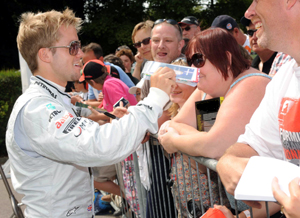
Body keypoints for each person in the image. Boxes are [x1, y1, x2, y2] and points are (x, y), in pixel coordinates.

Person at [6, 8, 177, 217]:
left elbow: (88, 130)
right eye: (73, 47)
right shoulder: (36, 108)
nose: (80, 54)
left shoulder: (53, 99)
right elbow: (98, 145)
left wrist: (123, 125)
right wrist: (156, 98)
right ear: (45, 54)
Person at [216, 1, 300, 217]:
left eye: (257, 1)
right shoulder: (285, 76)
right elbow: (255, 144)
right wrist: (227, 161)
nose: (249, 12)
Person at [82, 43, 135, 108]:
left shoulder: (109, 83)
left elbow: (122, 108)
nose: (86, 66)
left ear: (101, 60)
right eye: (84, 63)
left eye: (90, 62)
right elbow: (103, 106)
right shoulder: (97, 77)